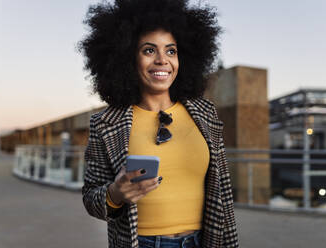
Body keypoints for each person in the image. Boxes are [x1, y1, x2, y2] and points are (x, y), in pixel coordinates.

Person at [79, 0, 238, 247]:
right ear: (128, 57)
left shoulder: (205, 113)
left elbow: (223, 196)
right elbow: (91, 198)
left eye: (171, 51)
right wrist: (116, 194)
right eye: (149, 50)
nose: (162, 60)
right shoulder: (106, 123)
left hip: (204, 241)